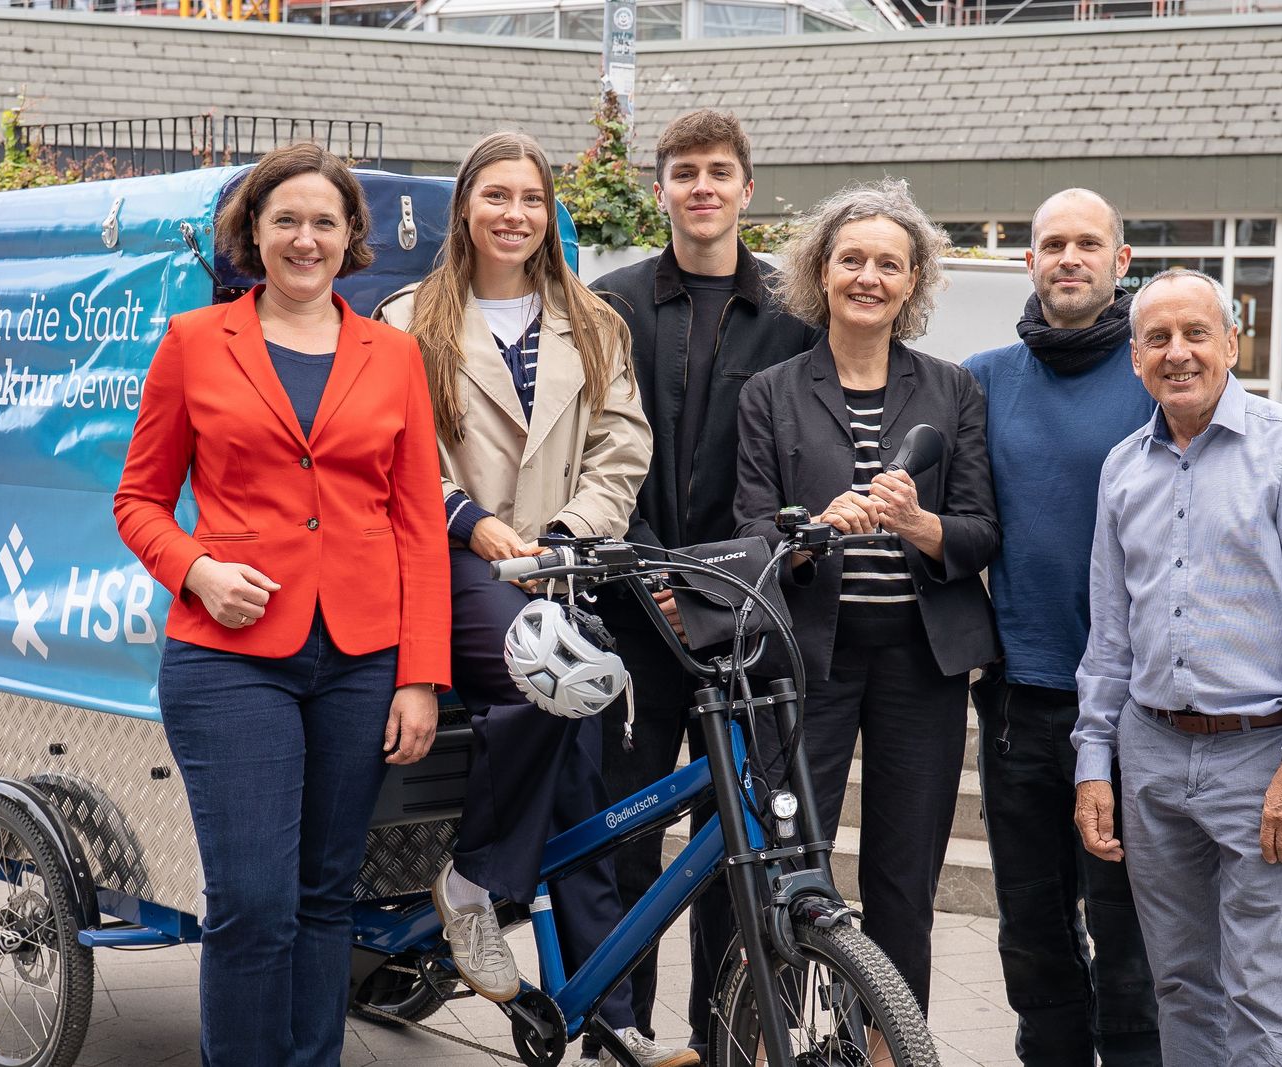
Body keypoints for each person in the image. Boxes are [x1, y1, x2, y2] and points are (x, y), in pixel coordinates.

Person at [112, 142, 449, 1067]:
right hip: (229, 659)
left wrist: (420, 674)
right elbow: (138, 501)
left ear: (351, 240)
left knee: (325, 896)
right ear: (252, 234)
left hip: (359, 657)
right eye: (285, 221)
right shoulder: (193, 343)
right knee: (255, 900)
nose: (306, 239)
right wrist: (197, 571)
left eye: (325, 223)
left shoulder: (394, 354)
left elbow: (420, 521)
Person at [373, 132, 693, 1067]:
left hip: (557, 569)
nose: (515, 214)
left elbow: (622, 450)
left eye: (531, 198)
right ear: (464, 207)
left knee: (583, 794)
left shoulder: (592, 322)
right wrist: (470, 519)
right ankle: (473, 878)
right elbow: (389, 457)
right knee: (551, 679)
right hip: (449, 559)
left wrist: (564, 538)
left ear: (549, 213)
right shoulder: (408, 320)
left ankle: (612, 1019)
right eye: (495, 196)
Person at [1071, 267, 1282, 1067]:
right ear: (1135, 359)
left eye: (1196, 333)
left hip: (1263, 758)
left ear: (1232, 342)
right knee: (1182, 988)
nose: (1178, 353)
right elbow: (1109, 637)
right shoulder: (1122, 469)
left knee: (1262, 995)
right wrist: (1094, 763)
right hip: (1154, 758)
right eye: (1157, 338)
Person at [732, 178, 999, 1011]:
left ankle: (887, 1045)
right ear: (822, 268)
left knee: (902, 872)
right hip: (810, 659)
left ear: (913, 280)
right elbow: (752, 538)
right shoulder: (769, 393)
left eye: (890, 263)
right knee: (786, 862)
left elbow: (982, 529)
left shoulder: (952, 389)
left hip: (922, 664)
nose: (869, 277)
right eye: (852, 259)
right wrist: (811, 531)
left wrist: (921, 526)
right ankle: (777, 1036)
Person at [589, 108, 819, 1054]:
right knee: (630, 836)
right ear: (662, 190)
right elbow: (599, 450)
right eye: (684, 173)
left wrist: (722, 586)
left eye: (719, 172)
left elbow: (791, 468)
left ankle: (725, 1036)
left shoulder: (794, 319)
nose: (702, 188)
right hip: (636, 612)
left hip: (748, 619)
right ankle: (628, 1033)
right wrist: (655, 574)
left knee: (742, 841)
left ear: (747, 189)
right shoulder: (612, 304)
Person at [962, 190, 1163, 1067]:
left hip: (1133, 708)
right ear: (1031, 262)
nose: (1068, 256)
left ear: (1121, 263)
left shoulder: (1159, 372)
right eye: (1052, 244)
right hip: (1018, 701)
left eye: (1089, 243)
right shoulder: (981, 380)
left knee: (1129, 937)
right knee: (1033, 932)